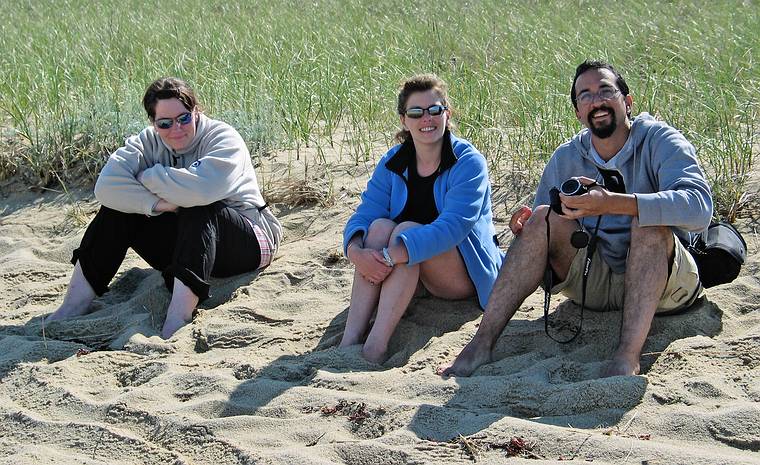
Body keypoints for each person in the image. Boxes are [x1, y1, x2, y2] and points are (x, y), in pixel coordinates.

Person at [440, 60, 713, 378]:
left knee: (647, 223)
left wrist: (612, 204)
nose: (596, 100)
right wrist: (526, 228)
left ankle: (626, 358)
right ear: (578, 113)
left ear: (627, 101)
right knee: (541, 219)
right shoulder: (567, 156)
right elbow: (543, 227)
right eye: (585, 95)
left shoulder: (660, 140)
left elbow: (699, 208)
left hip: (665, 285)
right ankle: (480, 345)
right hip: (593, 282)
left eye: (605, 90)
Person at [46, 77, 283, 338]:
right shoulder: (146, 142)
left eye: (183, 118)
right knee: (117, 211)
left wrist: (148, 177)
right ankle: (73, 306)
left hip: (250, 241)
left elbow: (204, 189)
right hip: (192, 245)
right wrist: (158, 204)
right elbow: (106, 188)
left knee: (196, 206)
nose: (176, 129)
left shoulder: (222, 137)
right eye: (165, 123)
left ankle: (177, 317)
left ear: (196, 111)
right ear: (153, 123)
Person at [339, 74, 504, 363]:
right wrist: (355, 252)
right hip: (410, 274)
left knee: (406, 231)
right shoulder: (394, 161)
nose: (426, 118)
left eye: (435, 110)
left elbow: (453, 228)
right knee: (378, 228)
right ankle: (349, 339)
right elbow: (366, 212)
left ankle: (375, 347)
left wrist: (392, 255)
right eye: (416, 112)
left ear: (447, 114)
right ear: (404, 120)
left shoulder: (468, 162)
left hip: (461, 275)